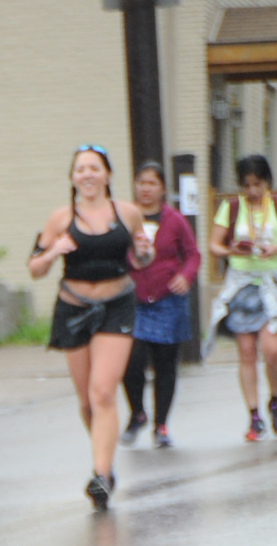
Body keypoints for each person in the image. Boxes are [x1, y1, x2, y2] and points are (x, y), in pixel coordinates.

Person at [29, 145, 153, 508]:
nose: (87, 175)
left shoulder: (127, 213)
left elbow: (143, 258)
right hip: (74, 308)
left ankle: (99, 475)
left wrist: (144, 249)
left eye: (94, 168)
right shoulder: (59, 218)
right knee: (86, 401)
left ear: (107, 175)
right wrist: (54, 251)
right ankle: (106, 460)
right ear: (72, 177)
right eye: (80, 169)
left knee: (102, 392)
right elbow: (35, 268)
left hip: (117, 305)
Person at [121, 161, 200, 449]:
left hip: (167, 302)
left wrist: (185, 276)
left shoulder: (174, 220)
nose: (145, 188)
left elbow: (193, 254)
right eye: (141, 182)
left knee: (166, 365)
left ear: (163, 188)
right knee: (131, 361)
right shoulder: (127, 219)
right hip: (134, 302)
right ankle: (137, 413)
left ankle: (161, 426)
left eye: (152, 183)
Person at [206, 154, 277, 441]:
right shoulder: (231, 207)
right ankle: (254, 416)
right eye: (246, 185)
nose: (252, 191)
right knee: (246, 352)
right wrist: (232, 249)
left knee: (271, 350)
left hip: (271, 284)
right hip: (241, 286)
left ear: (267, 182)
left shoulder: (275, 205)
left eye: (257, 184)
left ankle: (274, 399)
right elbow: (214, 245)